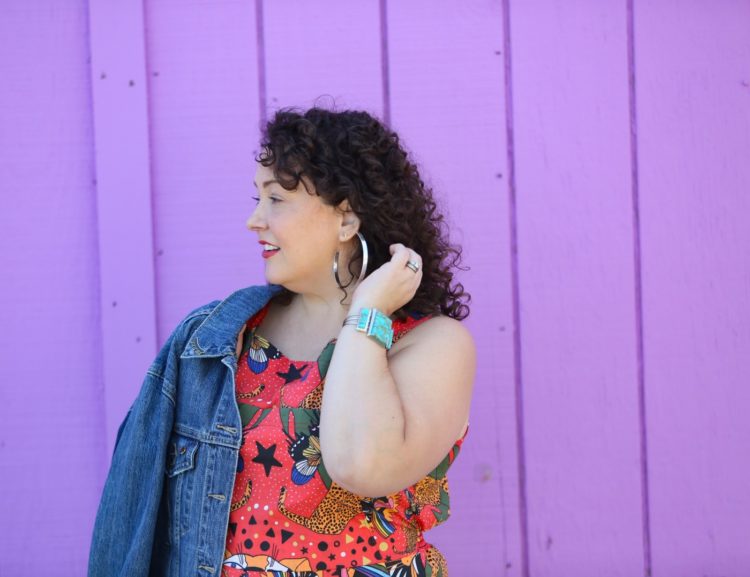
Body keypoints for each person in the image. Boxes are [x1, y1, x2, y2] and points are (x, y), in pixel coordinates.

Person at [88, 106, 476, 577]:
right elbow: (133, 516)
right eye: (256, 198)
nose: (254, 221)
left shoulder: (434, 345)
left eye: (276, 199)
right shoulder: (213, 344)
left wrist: (367, 315)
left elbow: (362, 465)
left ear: (347, 219)